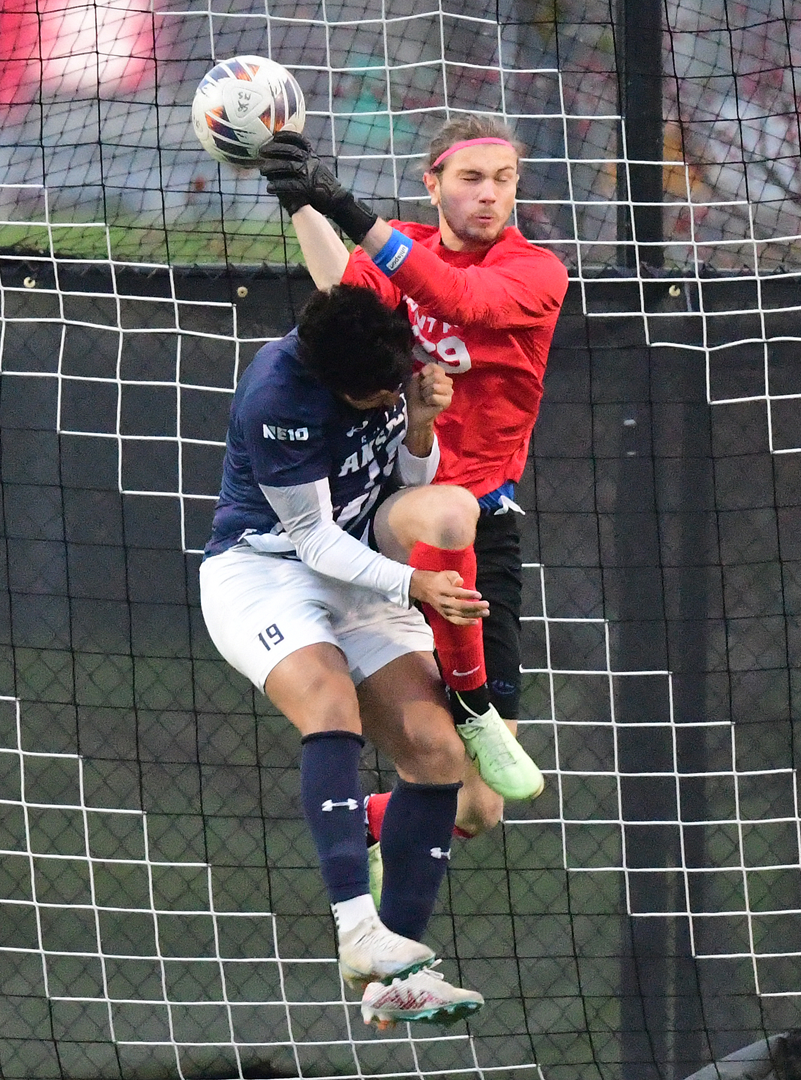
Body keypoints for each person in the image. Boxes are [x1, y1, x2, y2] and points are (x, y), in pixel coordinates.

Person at [257, 113, 567, 863]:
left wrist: (347, 210)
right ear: (433, 184)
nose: (489, 195)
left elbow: (462, 303)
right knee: (445, 507)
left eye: (503, 180)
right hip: (393, 509)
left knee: (479, 804)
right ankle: (466, 705)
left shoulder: (536, 272)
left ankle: (362, 825)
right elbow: (347, 293)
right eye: (471, 178)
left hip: (481, 531)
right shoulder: (402, 247)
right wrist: (300, 198)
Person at [200, 284, 490, 1027]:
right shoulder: (277, 396)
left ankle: (400, 973)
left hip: (356, 573)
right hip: (263, 572)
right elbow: (314, 540)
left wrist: (418, 426)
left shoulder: (384, 355)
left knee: (436, 752)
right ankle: (356, 928)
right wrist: (417, 579)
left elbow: (402, 480)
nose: (389, 395)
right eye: (379, 395)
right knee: (329, 702)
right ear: (332, 381)